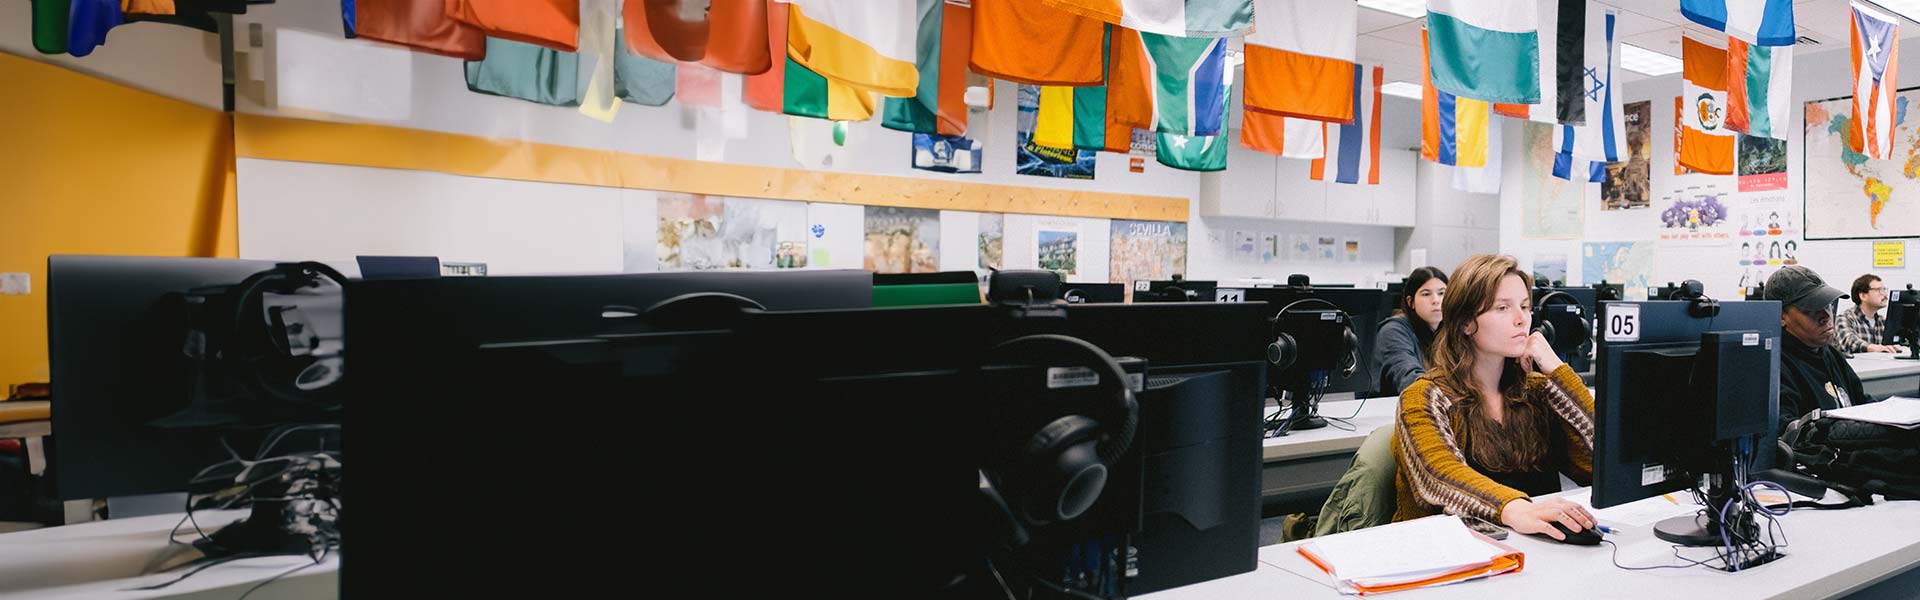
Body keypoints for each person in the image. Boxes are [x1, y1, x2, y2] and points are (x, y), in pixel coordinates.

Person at [1393, 255, 1597, 541]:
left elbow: (1604, 462)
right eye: (1503, 308)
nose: (1521, 319)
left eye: (1525, 307)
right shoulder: (1424, 397)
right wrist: (1515, 509)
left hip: (1538, 550)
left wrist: (1557, 371)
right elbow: (1439, 477)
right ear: (1465, 323)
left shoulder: (1537, 391)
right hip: (1447, 556)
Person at [1767, 266, 1873, 433]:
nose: (1826, 315)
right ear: (1781, 316)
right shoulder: (1775, 365)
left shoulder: (1830, 354)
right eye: (1811, 309)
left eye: (1827, 305)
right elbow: (1787, 430)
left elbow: (1860, 402)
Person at [1377, 267, 1448, 396]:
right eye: (1426, 294)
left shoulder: (1450, 330)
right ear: (1411, 302)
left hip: (1438, 406)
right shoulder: (1393, 331)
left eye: (1442, 293)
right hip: (1393, 409)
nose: (1436, 300)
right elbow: (1409, 379)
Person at [1836, 274, 1898, 355]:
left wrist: (1897, 346)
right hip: (1856, 367)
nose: (1885, 295)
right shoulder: (1845, 318)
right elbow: (1849, 342)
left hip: (1880, 366)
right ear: (1863, 296)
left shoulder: (1883, 321)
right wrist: (1873, 347)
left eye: (1884, 289)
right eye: (1879, 290)